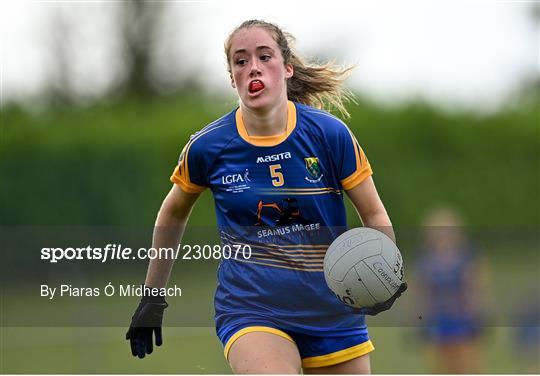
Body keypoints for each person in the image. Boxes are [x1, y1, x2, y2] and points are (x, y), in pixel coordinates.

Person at [126, 19, 406, 374]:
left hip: (333, 309)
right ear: (232, 77)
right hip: (251, 309)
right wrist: (152, 295)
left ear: (287, 68)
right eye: (240, 61)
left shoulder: (329, 134)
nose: (253, 67)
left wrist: (386, 275)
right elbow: (172, 214)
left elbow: (374, 214)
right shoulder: (209, 146)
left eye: (264, 56)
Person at [416, 206, 489, 374]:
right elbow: (422, 293)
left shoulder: (467, 257)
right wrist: (419, 318)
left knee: (467, 366)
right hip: (438, 321)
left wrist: (479, 314)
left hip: (462, 320)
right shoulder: (426, 261)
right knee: (441, 367)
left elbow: (475, 288)